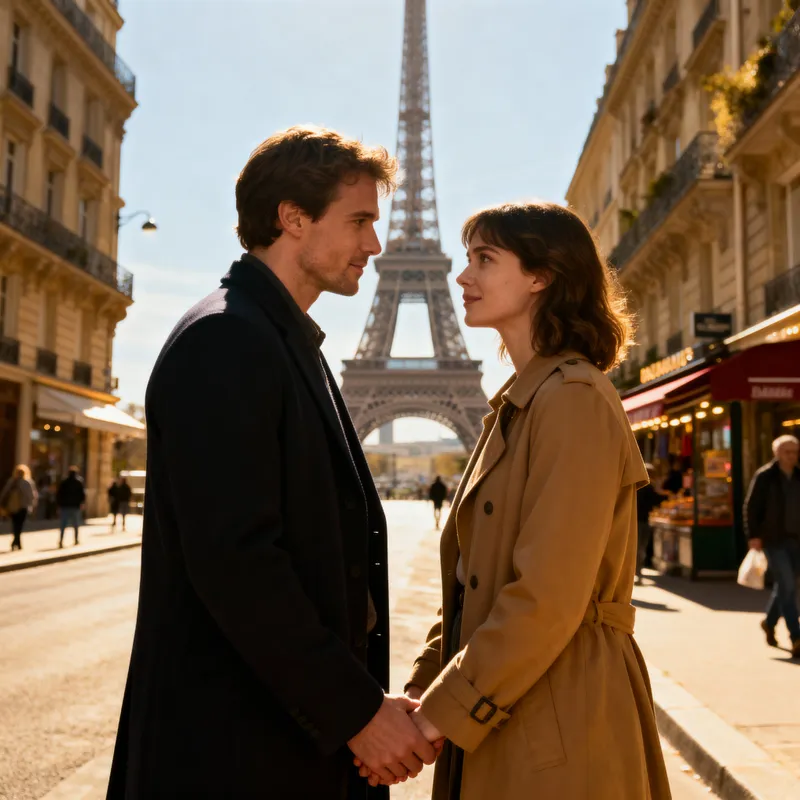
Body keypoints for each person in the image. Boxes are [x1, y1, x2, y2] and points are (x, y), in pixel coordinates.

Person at [107, 126, 437, 800]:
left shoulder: (280, 340)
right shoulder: (228, 341)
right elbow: (239, 563)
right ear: (292, 217)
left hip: (275, 740)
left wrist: (364, 708)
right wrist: (357, 713)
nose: (376, 244)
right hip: (238, 753)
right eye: (360, 221)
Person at [360, 202, 671, 798]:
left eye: (484, 259)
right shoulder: (522, 404)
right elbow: (475, 582)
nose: (462, 276)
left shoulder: (572, 399)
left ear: (540, 276)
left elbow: (546, 596)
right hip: (513, 698)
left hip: (556, 711)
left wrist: (429, 720)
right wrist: (428, 690)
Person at [745, 434, 800, 657]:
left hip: (797, 540)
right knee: (787, 585)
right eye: (787, 452)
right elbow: (751, 507)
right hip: (774, 540)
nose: (792, 456)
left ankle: (769, 622)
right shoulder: (765, 476)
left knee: (787, 586)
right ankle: (796, 636)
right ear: (777, 453)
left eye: (795, 452)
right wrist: (753, 535)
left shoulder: (799, 475)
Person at [636, 463, 667, 583]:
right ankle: (637, 573)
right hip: (642, 521)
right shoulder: (647, 487)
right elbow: (655, 501)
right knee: (640, 548)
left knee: (639, 548)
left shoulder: (636, 486)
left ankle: (637, 573)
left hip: (638, 520)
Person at [0, 465, 38, 551]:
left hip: (13, 507)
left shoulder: (12, 481)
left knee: (15, 525)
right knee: (20, 525)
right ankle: (17, 542)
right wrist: (32, 505)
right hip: (23, 507)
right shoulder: (27, 482)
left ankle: (16, 542)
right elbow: (31, 496)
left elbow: (4, 493)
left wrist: (3, 504)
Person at [57, 466, 86, 548]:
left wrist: (59, 505)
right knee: (76, 524)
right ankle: (76, 539)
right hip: (75, 506)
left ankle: (61, 540)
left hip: (65, 506)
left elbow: (59, 494)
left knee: (63, 525)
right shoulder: (79, 482)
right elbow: (82, 495)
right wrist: (81, 503)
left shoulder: (64, 482)